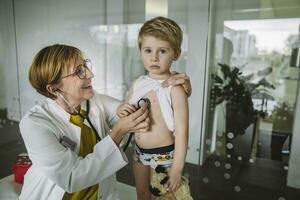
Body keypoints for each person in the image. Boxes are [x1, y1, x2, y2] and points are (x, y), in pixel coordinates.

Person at [19, 44, 192, 200]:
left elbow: (139, 113)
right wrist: (117, 132)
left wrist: (170, 91)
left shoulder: (95, 101)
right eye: (79, 71)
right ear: (54, 88)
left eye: (85, 66)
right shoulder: (35, 124)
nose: (90, 74)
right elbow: (72, 178)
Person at [117, 16, 189, 200]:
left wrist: (177, 167)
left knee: (163, 196)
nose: (154, 57)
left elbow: (182, 132)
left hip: (164, 155)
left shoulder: (176, 89)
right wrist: (122, 109)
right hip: (139, 152)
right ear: (140, 51)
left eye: (162, 51)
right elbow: (126, 106)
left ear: (176, 53)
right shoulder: (138, 83)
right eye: (148, 50)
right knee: (142, 194)